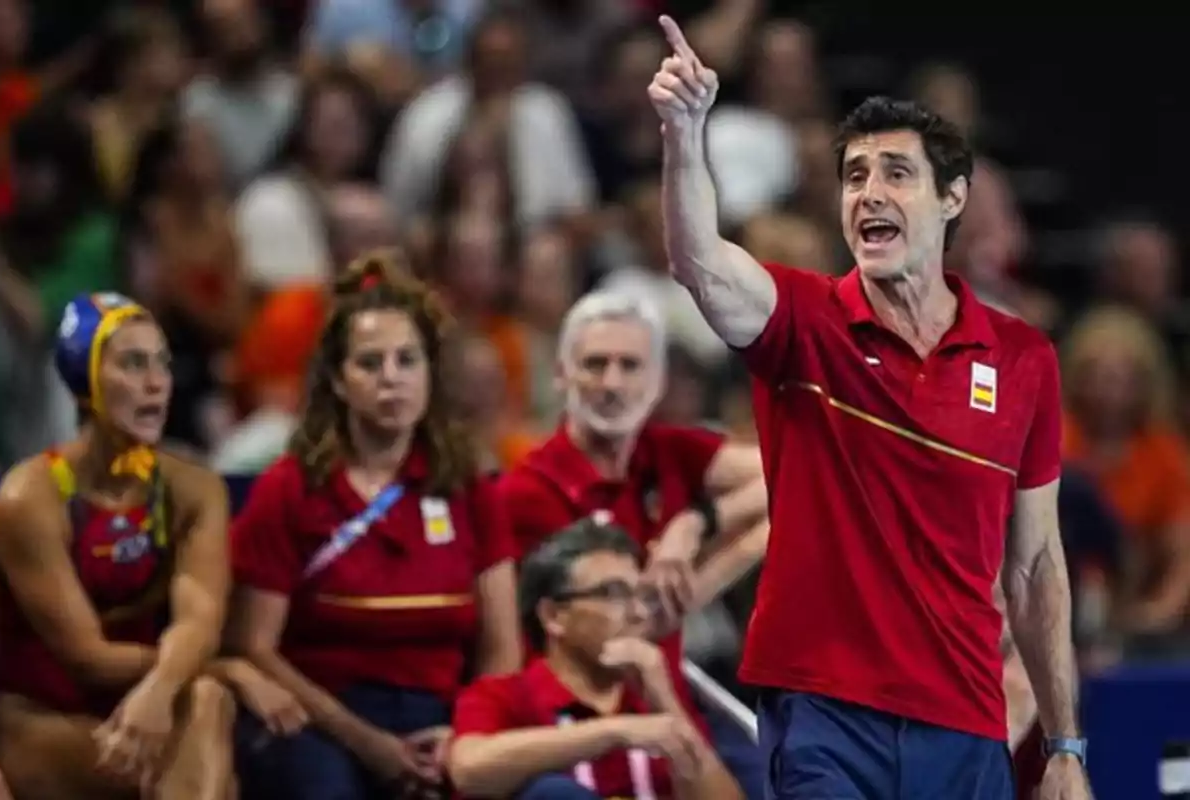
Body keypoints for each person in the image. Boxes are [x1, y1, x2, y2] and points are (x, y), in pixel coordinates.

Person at [648, 16, 1089, 800]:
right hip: (824, 711)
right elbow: (700, 263)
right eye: (854, 176)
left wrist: (1062, 746)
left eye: (895, 174)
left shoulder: (1025, 360)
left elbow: (1035, 567)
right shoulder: (805, 322)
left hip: (965, 717)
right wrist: (684, 132)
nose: (869, 194)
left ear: (953, 197)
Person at [227, 250, 522, 800]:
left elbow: (501, 648)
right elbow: (253, 645)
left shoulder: (468, 486)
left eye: (407, 360)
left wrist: (466, 735)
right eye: (370, 363)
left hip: (444, 719)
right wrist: (367, 742)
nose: (392, 379)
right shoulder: (290, 488)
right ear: (338, 381)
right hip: (321, 720)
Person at [0, 292, 289, 799]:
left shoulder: (194, 489)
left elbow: (199, 623)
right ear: (83, 382)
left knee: (206, 704)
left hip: (148, 704)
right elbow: (86, 657)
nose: (155, 384)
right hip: (42, 720)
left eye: (162, 364)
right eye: (132, 364)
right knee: (206, 724)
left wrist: (163, 687)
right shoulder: (30, 499)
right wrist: (226, 668)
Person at [498, 289, 769, 797]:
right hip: (575, 726)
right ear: (561, 375)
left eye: (630, 366)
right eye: (594, 365)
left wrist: (691, 526)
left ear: (657, 382)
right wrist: (704, 582)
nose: (612, 384)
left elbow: (795, 477)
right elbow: (636, 618)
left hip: (670, 710)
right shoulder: (527, 492)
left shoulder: (668, 452)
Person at [448, 518, 743, 800]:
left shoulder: (653, 703)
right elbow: (468, 769)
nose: (639, 612)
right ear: (553, 616)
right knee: (552, 793)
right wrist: (616, 732)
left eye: (641, 595)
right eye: (614, 593)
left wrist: (666, 702)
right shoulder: (506, 696)